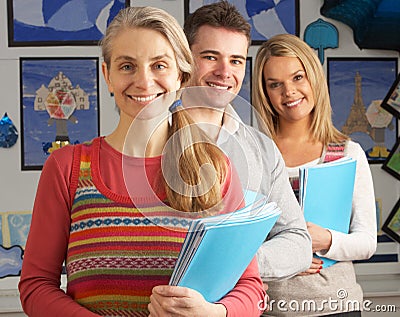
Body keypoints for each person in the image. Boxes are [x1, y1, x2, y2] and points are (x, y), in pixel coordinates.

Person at [19, 6, 266, 317]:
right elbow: (36, 286)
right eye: (127, 66)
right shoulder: (66, 168)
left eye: (159, 65)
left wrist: (214, 313)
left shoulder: (216, 169)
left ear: (181, 75)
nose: (144, 82)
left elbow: (252, 289)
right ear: (107, 77)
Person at [183, 0, 312, 282]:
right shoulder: (148, 138)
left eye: (236, 60)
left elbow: (298, 241)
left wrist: (234, 261)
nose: (224, 71)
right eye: (210, 57)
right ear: (184, 57)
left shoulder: (262, 150)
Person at [252, 33, 377, 316]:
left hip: (337, 307)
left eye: (298, 77)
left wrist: (327, 240)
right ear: (265, 93)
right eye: (275, 84)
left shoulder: (348, 153)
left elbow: (367, 242)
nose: (289, 92)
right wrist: (287, 255)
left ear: (313, 78)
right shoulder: (255, 156)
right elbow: (240, 241)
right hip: (271, 309)